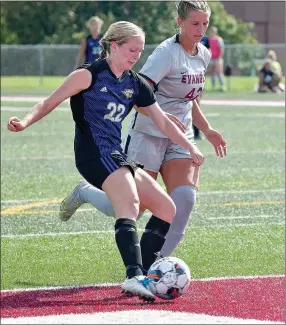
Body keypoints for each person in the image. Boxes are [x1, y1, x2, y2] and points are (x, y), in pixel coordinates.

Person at [7, 21, 205, 303]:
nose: (136, 56)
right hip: (91, 153)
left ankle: (146, 274)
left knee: (166, 208)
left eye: (140, 51)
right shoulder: (87, 75)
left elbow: (162, 120)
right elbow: (48, 103)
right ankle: (134, 275)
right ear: (114, 46)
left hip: (114, 154)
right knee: (130, 204)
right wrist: (24, 122)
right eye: (131, 50)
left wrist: (190, 145)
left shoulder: (133, 82)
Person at [59, 1, 227, 275]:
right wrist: (160, 116)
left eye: (205, 23)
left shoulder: (204, 55)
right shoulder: (164, 54)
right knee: (130, 209)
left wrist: (206, 130)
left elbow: (191, 99)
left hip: (179, 136)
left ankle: (153, 269)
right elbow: (138, 94)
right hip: (148, 135)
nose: (200, 29)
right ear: (180, 22)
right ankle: (86, 192)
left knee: (183, 201)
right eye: (195, 23)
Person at [193, 34, 211, 140]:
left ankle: (196, 132)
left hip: (197, 76)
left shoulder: (203, 51)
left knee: (196, 104)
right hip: (187, 76)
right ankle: (195, 132)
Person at [208, 26, 225, 91]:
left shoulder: (219, 39)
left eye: (213, 31)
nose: (212, 32)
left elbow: (222, 49)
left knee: (219, 72)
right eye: (211, 31)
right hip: (211, 58)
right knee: (212, 72)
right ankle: (213, 86)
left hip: (218, 58)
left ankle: (222, 86)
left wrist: (219, 58)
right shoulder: (208, 39)